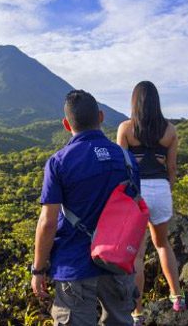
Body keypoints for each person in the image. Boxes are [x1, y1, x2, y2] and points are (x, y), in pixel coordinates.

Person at [31, 89, 140, 326]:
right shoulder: (126, 159)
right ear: (101, 117)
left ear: (66, 124)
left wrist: (38, 270)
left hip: (75, 265)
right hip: (118, 264)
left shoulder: (59, 162)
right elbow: (134, 211)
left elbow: (47, 222)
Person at [117, 81, 186, 326]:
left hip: (136, 193)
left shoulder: (126, 128)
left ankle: (137, 314)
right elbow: (172, 169)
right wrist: (165, 189)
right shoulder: (170, 130)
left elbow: (122, 168)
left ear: (135, 102)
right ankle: (177, 297)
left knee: (136, 255)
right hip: (160, 189)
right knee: (163, 244)